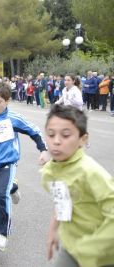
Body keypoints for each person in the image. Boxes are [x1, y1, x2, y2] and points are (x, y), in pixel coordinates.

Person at [0, 82, 49, 251]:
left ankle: (2, 235)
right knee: (0, 192)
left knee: (0, 196)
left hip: (7, 162)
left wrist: (43, 149)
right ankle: (13, 187)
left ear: (7, 101)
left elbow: (34, 131)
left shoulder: (14, 118)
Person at [42, 104, 114, 267]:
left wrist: (90, 248)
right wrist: (53, 230)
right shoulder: (55, 167)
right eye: (51, 134)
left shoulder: (91, 172)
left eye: (66, 135)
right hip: (71, 247)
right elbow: (62, 199)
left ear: (83, 139)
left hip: (103, 253)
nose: (56, 141)